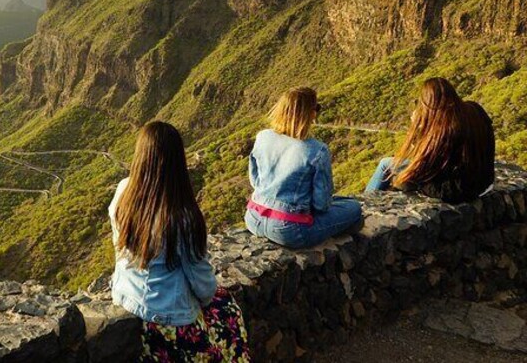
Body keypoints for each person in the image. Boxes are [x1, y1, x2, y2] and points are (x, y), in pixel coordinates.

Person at [110, 121, 249, 362]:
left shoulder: (124, 191)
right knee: (228, 313)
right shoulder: (181, 215)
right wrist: (208, 299)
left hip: (125, 296)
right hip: (168, 319)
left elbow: (118, 244)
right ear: (177, 161)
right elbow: (201, 280)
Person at [245, 87, 362, 249]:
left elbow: (255, 180)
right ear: (310, 113)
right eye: (317, 108)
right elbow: (321, 204)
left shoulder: (262, 136)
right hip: (289, 231)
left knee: (342, 202)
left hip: (253, 218)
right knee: (354, 207)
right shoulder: (317, 150)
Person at [365, 77, 495, 203]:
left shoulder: (444, 130)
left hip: (455, 189)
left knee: (385, 165)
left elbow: (421, 161)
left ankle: (365, 204)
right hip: (484, 183)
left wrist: (417, 127)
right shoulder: (474, 109)